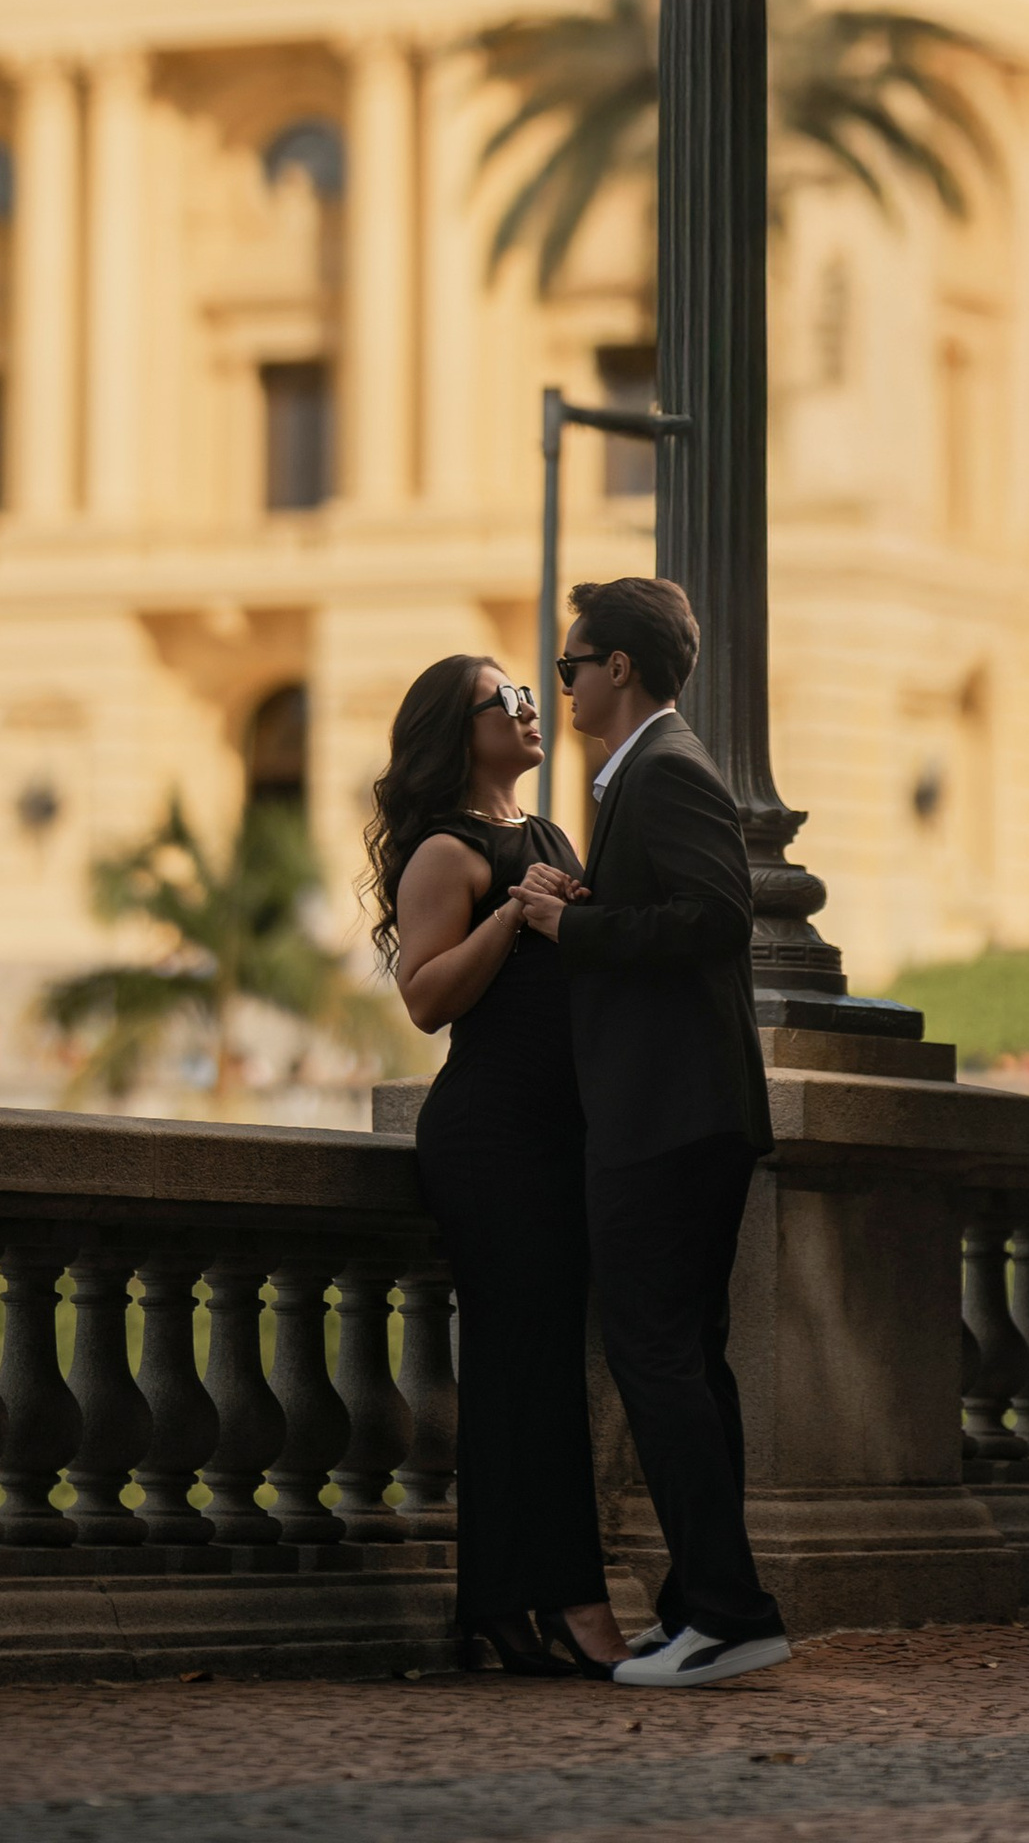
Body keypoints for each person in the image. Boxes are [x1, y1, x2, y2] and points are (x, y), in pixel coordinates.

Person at [513, 575, 787, 1692]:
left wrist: (568, 928)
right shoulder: (643, 774)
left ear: (617, 669)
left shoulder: (666, 770)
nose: (563, 682)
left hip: (667, 1122)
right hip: (682, 1116)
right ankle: (712, 1606)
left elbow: (720, 917)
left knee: (658, 1360)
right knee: (684, 1366)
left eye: (572, 664)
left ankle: (723, 1612)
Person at [368, 652, 627, 1680]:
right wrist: (514, 915)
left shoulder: (549, 834)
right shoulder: (447, 849)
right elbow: (426, 998)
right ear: (455, 727)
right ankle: (569, 1601)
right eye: (505, 701)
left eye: (530, 696)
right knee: (533, 1382)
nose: (530, 711)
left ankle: (498, 1606)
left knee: (531, 1376)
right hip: (489, 1139)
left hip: (557, 1136)